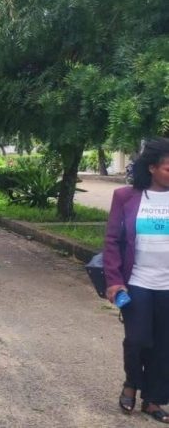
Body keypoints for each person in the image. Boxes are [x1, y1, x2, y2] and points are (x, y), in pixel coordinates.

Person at [104, 137, 169, 423]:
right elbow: (112, 241)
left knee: (164, 345)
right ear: (152, 167)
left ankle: (153, 400)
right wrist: (114, 280)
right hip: (138, 282)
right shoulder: (126, 197)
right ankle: (132, 382)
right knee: (137, 340)